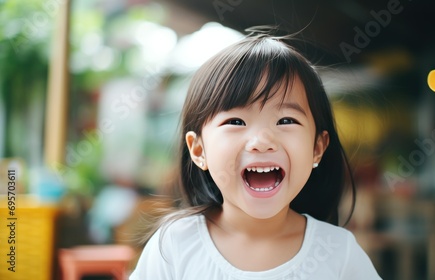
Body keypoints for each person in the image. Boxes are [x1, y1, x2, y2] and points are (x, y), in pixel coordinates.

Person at [130, 30, 382, 279]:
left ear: (317, 148)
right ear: (199, 150)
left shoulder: (338, 252)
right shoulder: (175, 246)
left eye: (285, 120)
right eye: (237, 121)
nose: (262, 142)